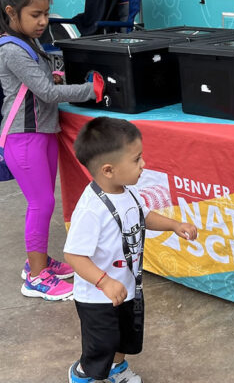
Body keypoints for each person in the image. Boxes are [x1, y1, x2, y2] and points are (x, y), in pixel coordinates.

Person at [0, 0, 103, 301]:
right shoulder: (11, 49)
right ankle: (35, 277)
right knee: (41, 204)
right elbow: (45, 92)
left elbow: (41, 82)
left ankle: (40, 262)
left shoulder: (26, 42)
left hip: (41, 134)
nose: (44, 21)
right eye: (35, 14)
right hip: (24, 138)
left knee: (45, 202)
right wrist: (91, 90)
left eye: (46, 13)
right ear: (10, 12)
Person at [64, 117, 198, 383]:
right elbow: (74, 255)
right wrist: (104, 282)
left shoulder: (127, 192)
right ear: (108, 170)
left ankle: (118, 369)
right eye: (136, 160)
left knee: (125, 336)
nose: (143, 165)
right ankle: (82, 375)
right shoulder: (91, 209)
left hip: (126, 287)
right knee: (102, 343)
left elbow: (143, 216)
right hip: (97, 296)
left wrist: (174, 225)